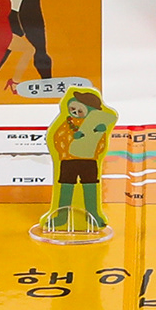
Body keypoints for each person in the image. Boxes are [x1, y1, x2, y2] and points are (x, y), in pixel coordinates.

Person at [36, 82, 117, 239]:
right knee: (66, 186)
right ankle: (61, 216)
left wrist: (99, 132)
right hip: (68, 160)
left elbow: (101, 145)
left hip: (89, 161)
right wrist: (70, 141)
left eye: (80, 111)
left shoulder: (96, 125)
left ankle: (93, 214)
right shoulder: (67, 123)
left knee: (90, 185)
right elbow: (56, 138)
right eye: (73, 109)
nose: (75, 112)